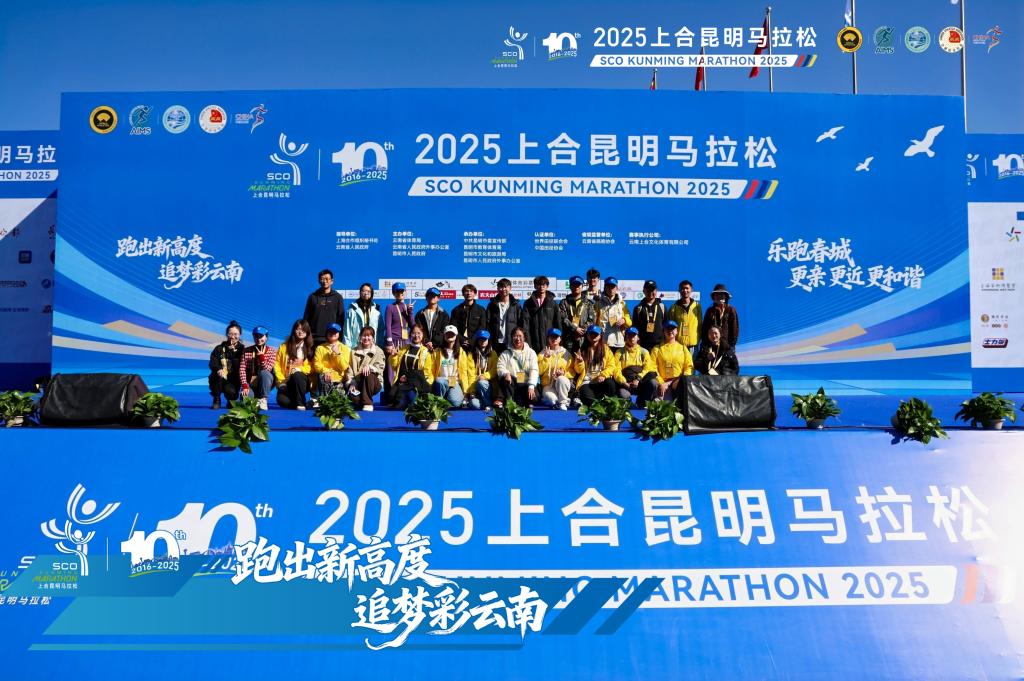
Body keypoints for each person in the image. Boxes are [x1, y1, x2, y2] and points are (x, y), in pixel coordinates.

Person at [386, 323, 433, 408]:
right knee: (394, 400)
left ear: (423, 335)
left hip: (417, 383)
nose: (416, 336)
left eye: (419, 333)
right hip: (402, 382)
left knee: (413, 403)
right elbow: (395, 366)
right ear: (410, 334)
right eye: (414, 333)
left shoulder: (426, 352)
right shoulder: (403, 349)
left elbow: (427, 372)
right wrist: (393, 356)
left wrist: (424, 384)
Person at [574, 325, 622, 406]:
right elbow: (578, 371)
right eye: (591, 334)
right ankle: (597, 401)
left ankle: (607, 402)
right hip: (587, 381)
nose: (593, 336)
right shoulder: (582, 350)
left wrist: (603, 375)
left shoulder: (606, 349)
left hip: (601, 379)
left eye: (596, 334)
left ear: (600, 336)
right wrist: (580, 362)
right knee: (590, 402)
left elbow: (611, 366)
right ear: (587, 335)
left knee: (610, 383)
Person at [383, 282, 414, 397]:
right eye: (397, 291)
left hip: (406, 343)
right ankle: (392, 396)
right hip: (395, 343)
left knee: (406, 369)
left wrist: (410, 313)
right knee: (392, 370)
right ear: (393, 293)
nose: (399, 293)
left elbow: (412, 325)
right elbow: (388, 326)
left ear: (405, 292)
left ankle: (405, 396)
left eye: (401, 291)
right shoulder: (390, 307)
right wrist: (389, 343)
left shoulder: (407, 307)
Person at [494, 327, 538, 408]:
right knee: (504, 379)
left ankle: (522, 401)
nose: (518, 339)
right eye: (515, 336)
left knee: (534, 397)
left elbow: (534, 370)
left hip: (525, 383)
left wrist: (531, 386)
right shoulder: (505, 353)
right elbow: (500, 366)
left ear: (524, 338)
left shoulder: (531, 353)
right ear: (511, 338)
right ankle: (504, 401)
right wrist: (506, 373)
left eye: (520, 336)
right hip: (512, 383)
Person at [275, 319, 314, 410]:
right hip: (287, 381)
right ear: (294, 330)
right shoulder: (284, 346)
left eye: (303, 330)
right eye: (298, 329)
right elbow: (277, 364)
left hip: (303, 380)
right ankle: (304, 404)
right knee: (282, 401)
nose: (300, 332)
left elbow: (312, 367)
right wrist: (281, 381)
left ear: (307, 332)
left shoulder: (310, 348)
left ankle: (301, 404)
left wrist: (301, 369)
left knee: (297, 374)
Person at [650, 320, 694, 402]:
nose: (670, 331)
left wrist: (682, 380)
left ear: (676, 331)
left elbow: (689, 367)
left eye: (672, 329)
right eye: (667, 329)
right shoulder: (656, 349)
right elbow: (652, 368)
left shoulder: (683, 348)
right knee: (661, 404)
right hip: (662, 383)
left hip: (677, 382)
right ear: (663, 331)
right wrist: (661, 382)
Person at [618, 327, 659, 407]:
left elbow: (648, 368)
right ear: (625, 338)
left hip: (641, 383)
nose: (631, 338)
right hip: (627, 384)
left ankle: (643, 402)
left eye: (634, 336)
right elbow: (616, 369)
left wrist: (638, 379)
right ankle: (629, 404)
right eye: (629, 336)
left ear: (638, 337)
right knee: (623, 394)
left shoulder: (644, 352)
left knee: (653, 383)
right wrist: (623, 381)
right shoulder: (619, 352)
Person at [346, 326, 386, 410]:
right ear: (360, 337)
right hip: (358, 382)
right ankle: (360, 401)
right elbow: (349, 369)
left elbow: (380, 368)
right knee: (354, 398)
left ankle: (368, 403)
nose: (366, 338)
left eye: (369, 336)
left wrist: (370, 367)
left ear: (373, 338)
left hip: (373, 383)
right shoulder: (353, 351)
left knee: (369, 375)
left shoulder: (379, 351)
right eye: (364, 335)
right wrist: (352, 383)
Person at [302, 269, 345, 346]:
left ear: (332, 281)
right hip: (314, 338)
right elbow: (306, 318)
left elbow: (340, 320)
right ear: (319, 281)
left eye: (327, 279)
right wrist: (306, 336)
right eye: (322, 279)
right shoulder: (312, 297)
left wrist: (339, 338)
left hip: (331, 338)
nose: (325, 281)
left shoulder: (338, 297)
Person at [208, 320, 244, 409]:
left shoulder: (243, 350)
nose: (233, 337)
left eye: (235, 334)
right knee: (215, 376)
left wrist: (232, 353)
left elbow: (240, 366)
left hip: (233, 380)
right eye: (230, 334)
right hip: (221, 378)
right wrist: (218, 369)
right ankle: (217, 399)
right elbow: (213, 362)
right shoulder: (219, 348)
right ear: (227, 334)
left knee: (231, 393)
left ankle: (230, 400)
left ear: (240, 335)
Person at [239, 326, 276, 410]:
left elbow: (267, 369)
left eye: (261, 336)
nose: (258, 339)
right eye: (256, 336)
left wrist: (262, 358)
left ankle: (263, 399)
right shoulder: (246, 351)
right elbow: (242, 369)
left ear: (266, 337)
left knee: (264, 373)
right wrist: (244, 385)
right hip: (251, 384)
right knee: (245, 400)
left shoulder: (272, 352)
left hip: (264, 384)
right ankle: (254, 399)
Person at [523, 275, 562, 353]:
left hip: (550, 341)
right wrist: (528, 343)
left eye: (543, 285)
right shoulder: (528, 303)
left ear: (547, 286)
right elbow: (526, 325)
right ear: (535, 286)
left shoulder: (553, 303)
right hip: (534, 341)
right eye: (539, 285)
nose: (541, 287)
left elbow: (558, 323)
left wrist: (558, 340)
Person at [538, 328, 576, 410]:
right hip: (548, 385)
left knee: (561, 379)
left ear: (560, 339)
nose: (554, 339)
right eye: (552, 337)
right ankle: (557, 400)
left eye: (556, 337)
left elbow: (572, 371)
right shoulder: (542, 353)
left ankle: (563, 402)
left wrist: (564, 373)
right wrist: (545, 359)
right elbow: (539, 371)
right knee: (551, 400)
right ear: (548, 338)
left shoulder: (566, 353)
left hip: (562, 383)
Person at [313, 323, 351, 400]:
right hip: (325, 379)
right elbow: (316, 365)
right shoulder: (320, 348)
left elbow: (344, 367)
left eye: (335, 332)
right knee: (325, 401)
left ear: (339, 334)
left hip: (339, 380)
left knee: (337, 402)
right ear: (326, 333)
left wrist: (337, 353)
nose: (332, 333)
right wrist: (326, 371)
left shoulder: (345, 348)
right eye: (330, 331)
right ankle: (320, 399)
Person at [559, 275, 597, 353]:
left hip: (584, 338)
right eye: (574, 285)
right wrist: (575, 329)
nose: (576, 287)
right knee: (568, 359)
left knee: (583, 359)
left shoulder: (589, 303)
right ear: (570, 286)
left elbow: (591, 319)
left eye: (578, 285)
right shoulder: (564, 302)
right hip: (568, 337)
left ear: (582, 286)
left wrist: (582, 331)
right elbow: (563, 318)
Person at [430, 325, 466, 408]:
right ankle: (439, 401)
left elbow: (464, 372)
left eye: (452, 334)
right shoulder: (437, 351)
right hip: (442, 381)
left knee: (455, 403)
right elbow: (431, 369)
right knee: (439, 381)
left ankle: (447, 397)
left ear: (456, 336)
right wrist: (430, 385)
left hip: (454, 382)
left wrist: (465, 391)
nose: (450, 335)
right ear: (444, 336)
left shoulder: (461, 352)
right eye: (447, 334)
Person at [486, 278, 523, 356]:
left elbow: (520, 325)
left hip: (511, 342)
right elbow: (487, 323)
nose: (503, 289)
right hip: (496, 343)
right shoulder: (492, 305)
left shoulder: (516, 305)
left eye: (506, 287)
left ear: (510, 288)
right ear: (497, 289)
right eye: (501, 287)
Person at [463, 330, 498, 410]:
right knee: (473, 404)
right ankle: (486, 404)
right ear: (477, 340)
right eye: (481, 339)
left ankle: (489, 404)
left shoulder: (493, 353)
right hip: (476, 385)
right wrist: (472, 391)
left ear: (488, 341)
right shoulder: (471, 354)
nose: (483, 341)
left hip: (489, 385)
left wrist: (484, 376)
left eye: (485, 339)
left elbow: (494, 370)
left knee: (482, 383)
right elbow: (471, 375)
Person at [666, 280, 702, 355]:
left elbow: (700, 324)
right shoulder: (673, 308)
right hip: (678, 346)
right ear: (679, 290)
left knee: (693, 363)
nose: (685, 290)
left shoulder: (697, 306)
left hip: (693, 346)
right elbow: (670, 328)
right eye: (682, 289)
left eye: (687, 288)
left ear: (691, 290)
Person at [596, 277, 632, 352]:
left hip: (619, 341)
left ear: (617, 288)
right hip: (604, 341)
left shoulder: (622, 303)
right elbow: (594, 322)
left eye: (613, 286)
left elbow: (629, 321)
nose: (611, 289)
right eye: (608, 286)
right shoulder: (598, 303)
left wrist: (624, 320)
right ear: (605, 287)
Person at [344, 283, 383, 348]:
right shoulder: (353, 308)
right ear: (360, 292)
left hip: (372, 345)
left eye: (368, 291)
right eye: (363, 291)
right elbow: (347, 329)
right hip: (356, 345)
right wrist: (348, 347)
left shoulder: (377, 308)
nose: (366, 293)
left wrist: (380, 345)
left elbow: (381, 329)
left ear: (372, 293)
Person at [450, 283, 486, 350]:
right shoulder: (456, 310)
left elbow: (482, 327)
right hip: (459, 343)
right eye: (466, 291)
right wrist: (462, 340)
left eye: (471, 291)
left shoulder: (481, 310)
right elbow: (453, 328)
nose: (469, 293)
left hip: (475, 343)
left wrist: (471, 340)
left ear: (475, 294)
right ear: (463, 294)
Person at [703, 284, 740, 349]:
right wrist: (707, 347)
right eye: (717, 294)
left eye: (722, 294)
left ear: (726, 296)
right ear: (714, 297)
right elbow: (705, 329)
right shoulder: (710, 311)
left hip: (727, 347)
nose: (719, 296)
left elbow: (734, 330)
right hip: (712, 347)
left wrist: (731, 347)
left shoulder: (731, 310)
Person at [632, 280, 666, 351]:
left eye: (652, 289)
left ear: (656, 291)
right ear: (643, 291)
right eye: (648, 289)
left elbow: (666, 325)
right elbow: (635, 327)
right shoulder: (638, 308)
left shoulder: (662, 307)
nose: (650, 292)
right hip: (643, 346)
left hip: (659, 346)